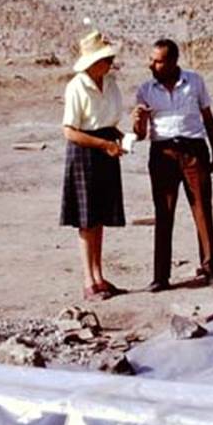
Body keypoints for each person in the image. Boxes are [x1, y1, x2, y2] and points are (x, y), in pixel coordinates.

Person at [132, 38, 213, 292]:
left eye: (158, 61)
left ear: (173, 61)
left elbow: (208, 118)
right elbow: (139, 134)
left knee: (202, 211)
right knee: (164, 213)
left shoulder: (194, 81)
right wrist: (138, 120)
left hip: (194, 151)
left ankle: (210, 271)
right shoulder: (145, 89)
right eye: (151, 59)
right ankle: (161, 277)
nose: (152, 64)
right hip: (163, 153)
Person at [59, 30, 129, 301]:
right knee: (87, 220)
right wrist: (103, 145)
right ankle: (88, 279)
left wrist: (121, 138)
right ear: (92, 62)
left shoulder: (110, 83)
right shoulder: (77, 86)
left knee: (99, 216)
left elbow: (109, 121)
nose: (110, 63)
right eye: (106, 59)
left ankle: (99, 276)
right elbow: (70, 131)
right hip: (86, 151)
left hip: (107, 149)